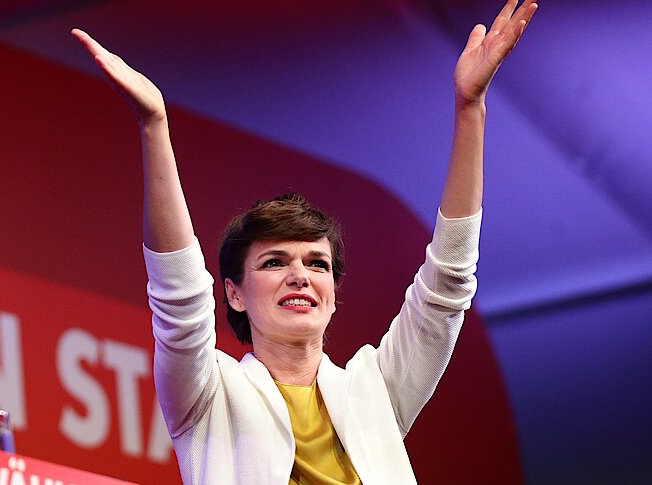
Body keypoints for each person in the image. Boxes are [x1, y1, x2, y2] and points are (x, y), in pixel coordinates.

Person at [70, 0, 538, 483]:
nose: (300, 275)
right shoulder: (210, 394)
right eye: (274, 262)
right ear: (233, 292)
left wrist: (469, 109)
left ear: (333, 293)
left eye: (317, 264)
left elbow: (447, 286)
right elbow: (178, 299)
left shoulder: (375, 390)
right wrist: (155, 126)